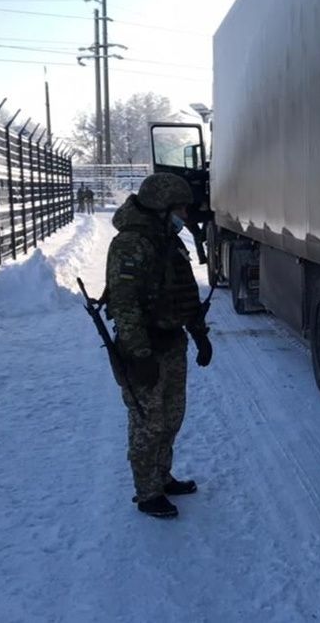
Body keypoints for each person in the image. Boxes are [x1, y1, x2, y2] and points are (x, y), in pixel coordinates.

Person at [104, 173, 213, 518]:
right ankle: (147, 492)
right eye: (180, 207)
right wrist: (139, 355)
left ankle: (162, 476)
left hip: (172, 342)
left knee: (171, 418)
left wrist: (200, 335)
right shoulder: (130, 244)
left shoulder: (168, 239)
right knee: (147, 424)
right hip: (145, 348)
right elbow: (124, 305)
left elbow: (185, 292)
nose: (185, 214)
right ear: (161, 207)